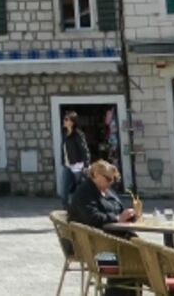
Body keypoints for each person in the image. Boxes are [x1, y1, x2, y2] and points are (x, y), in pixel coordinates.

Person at [68, 160, 138, 296]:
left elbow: (120, 210)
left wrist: (130, 215)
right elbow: (93, 218)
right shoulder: (85, 192)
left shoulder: (108, 191)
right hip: (95, 247)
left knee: (143, 258)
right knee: (135, 263)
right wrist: (117, 218)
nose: (110, 182)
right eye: (107, 179)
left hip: (115, 242)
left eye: (113, 179)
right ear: (95, 174)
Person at [60, 112, 90, 208]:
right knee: (64, 190)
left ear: (72, 122)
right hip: (67, 165)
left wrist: (86, 165)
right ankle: (67, 208)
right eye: (64, 119)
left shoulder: (78, 134)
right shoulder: (65, 134)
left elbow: (84, 150)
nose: (64, 121)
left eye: (66, 119)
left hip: (77, 165)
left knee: (79, 188)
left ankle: (80, 207)